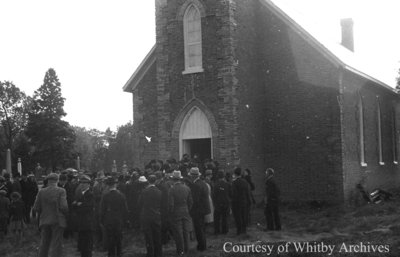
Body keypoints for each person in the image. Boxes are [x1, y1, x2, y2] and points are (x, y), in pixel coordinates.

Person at [33, 173, 69, 257]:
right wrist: (66, 215)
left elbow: (36, 208)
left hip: (44, 220)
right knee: (56, 244)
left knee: (44, 243)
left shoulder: (41, 191)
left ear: (48, 181)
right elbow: (64, 206)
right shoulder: (61, 191)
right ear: (57, 180)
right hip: (58, 220)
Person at [100, 176, 128, 257]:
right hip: (118, 219)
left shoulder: (105, 196)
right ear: (115, 185)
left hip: (109, 220)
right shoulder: (121, 195)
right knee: (119, 239)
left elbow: (102, 210)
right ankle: (119, 254)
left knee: (110, 239)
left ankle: (111, 254)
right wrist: (125, 220)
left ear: (108, 185)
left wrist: (102, 220)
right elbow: (125, 209)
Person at [169, 170, 193, 255]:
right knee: (186, 231)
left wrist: (171, 213)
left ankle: (180, 250)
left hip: (176, 212)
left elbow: (171, 204)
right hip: (185, 210)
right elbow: (190, 202)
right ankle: (187, 249)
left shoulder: (172, 189)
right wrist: (187, 209)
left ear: (173, 180)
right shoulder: (187, 188)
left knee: (178, 232)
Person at [138, 175, 162, 257]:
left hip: (146, 216)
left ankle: (150, 253)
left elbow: (140, 203)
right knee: (157, 236)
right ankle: (158, 253)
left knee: (148, 236)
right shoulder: (159, 192)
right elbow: (162, 205)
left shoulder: (144, 192)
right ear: (155, 181)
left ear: (148, 181)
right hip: (156, 215)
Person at [188, 167, 210, 252]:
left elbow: (195, 200)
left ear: (193, 176)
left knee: (198, 229)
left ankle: (201, 246)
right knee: (201, 228)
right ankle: (202, 245)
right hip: (203, 209)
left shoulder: (196, 185)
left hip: (198, 210)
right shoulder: (202, 183)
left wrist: (191, 208)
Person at [73, 175, 95, 257]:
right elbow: (74, 206)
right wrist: (79, 205)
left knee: (87, 246)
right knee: (82, 246)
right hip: (81, 223)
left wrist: (79, 205)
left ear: (89, 184)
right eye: (81, 183)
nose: (82, 185)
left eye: (85, 183)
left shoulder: (90, 194)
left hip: (87, 223)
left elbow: (87, 208)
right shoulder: (80, 194)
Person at [231, 167, 251, 235]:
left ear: (235, 174)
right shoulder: (245, 182)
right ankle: (244, 230)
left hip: (236, 202)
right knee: (244, 216)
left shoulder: (234, 183)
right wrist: (249, 200)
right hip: (244, 201)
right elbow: (248, 192)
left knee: (238, 217)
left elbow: (234, 193)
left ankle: (239, 231)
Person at [212, 170, 231, 235]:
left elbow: (214, 195)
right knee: (225, 218)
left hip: (218, 203)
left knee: (217, 218)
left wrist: (214, 203)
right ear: (224, 176)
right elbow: (231, 194)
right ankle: (225, 230)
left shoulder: (216, 185)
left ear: (218, 177)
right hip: (226, 203)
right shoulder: (228, 184)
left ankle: (217, 231)